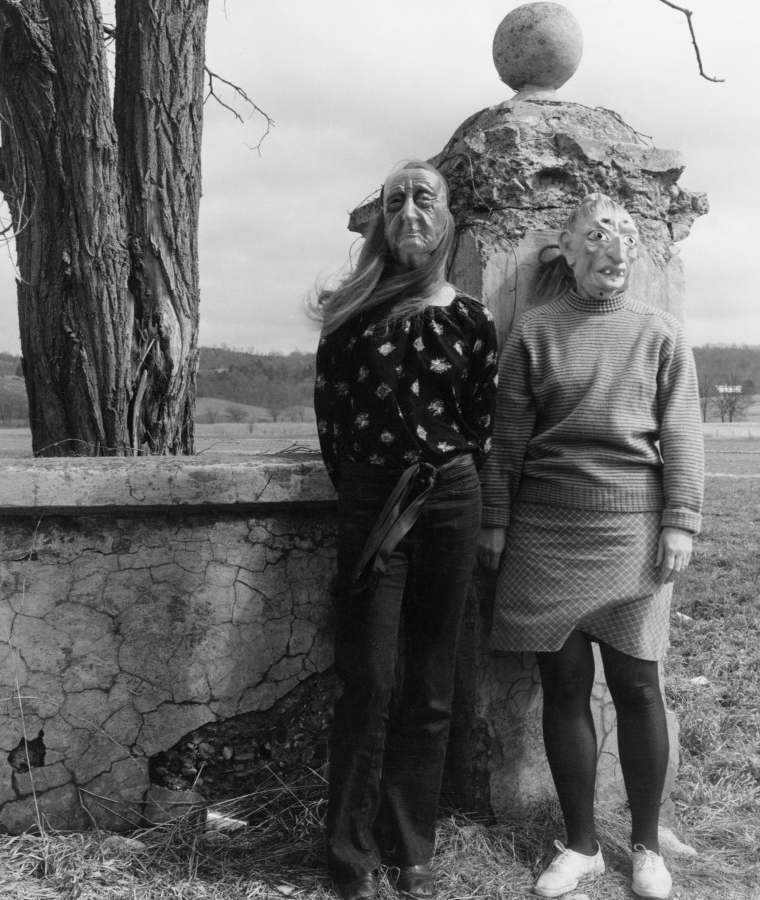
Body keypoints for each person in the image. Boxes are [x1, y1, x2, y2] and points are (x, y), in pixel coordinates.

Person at [476, 193, 704, 900]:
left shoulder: (660, 334)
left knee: (637, 687)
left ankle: (643, 845)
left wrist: (680, 519)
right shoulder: (535, 333)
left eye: (625, 240)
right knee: (564, 687)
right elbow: (507, 436)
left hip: (634, 532)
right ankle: (579, 846)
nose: (614, 251)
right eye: (597, 238)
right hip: (544, 531)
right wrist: (494, 520)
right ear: (566, 251)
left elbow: (682, 433)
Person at [311, 160, 497, 900]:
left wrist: (444, 480)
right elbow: (331, 426)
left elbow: (479, 425)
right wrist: (370, 491)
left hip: (451, 496)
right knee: (369, 679)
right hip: (373, 501)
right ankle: (348, 849)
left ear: (446, 216)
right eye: (396, 202)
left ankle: (410, 841)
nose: (410, 211)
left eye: (425, 198)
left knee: (430, 682)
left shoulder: (472, 320)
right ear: (381, 222)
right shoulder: (349, 319)